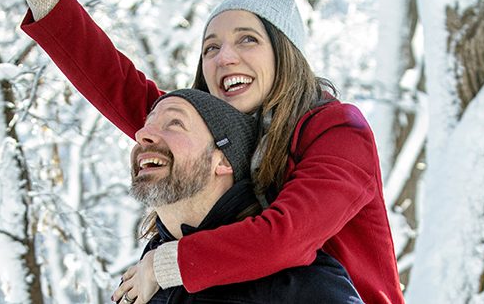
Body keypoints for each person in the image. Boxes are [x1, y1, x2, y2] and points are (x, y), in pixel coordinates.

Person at [17, 0, 404, 303]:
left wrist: (165, 266)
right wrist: (48, 1)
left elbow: (288, 236)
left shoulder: (336, 129)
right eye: (211, 48)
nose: (225, 58)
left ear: (285, 54)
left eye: (247, 39)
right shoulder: (215, 137)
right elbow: (120, 87)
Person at [121, 88, 362, 304]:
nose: (143, 134)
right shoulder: (144, 278)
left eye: (174, 123)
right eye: (147, 124)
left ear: (223, 160)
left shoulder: (294, 281)